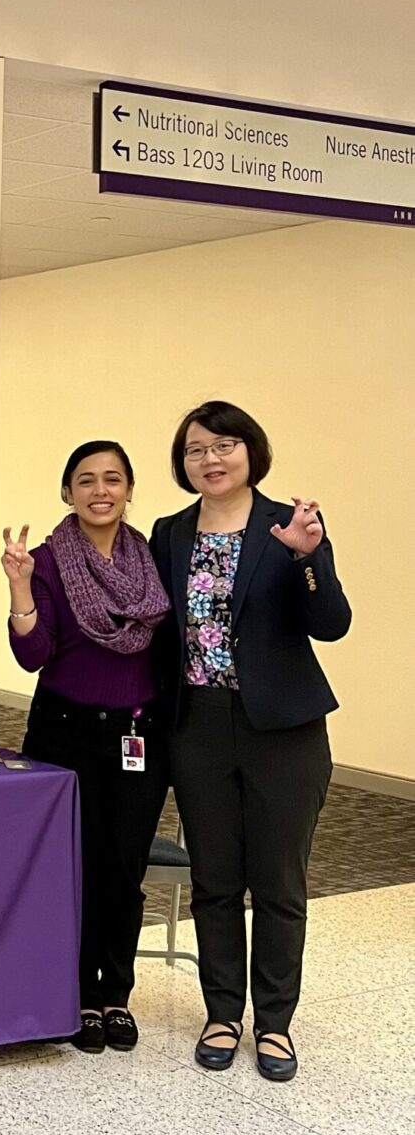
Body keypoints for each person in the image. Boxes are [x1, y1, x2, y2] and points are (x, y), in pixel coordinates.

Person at [150, 402, 350, 1082]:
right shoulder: (169, 532)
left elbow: (333, 623)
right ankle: (222, 1012)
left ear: (251, 452)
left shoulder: (288, 527)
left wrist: (309, 558)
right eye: (196, 449)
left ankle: (274, 1022)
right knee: (213, 879)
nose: (210, 458)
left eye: (225, 445)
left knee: (278, 882)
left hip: (284, 732)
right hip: (197, 725)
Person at [3, 441, 171, 1054]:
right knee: (70, 867)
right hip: (65, 733)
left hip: (138, 735)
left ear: (129, 489)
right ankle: (73, 992)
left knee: (122, 870)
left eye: (113, 479)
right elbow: (33, 654)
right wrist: (21, 588)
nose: (100, 490)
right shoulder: (46, 561)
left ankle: (115, 996)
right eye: (86, 480)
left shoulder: (151, 560)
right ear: (67, 492)